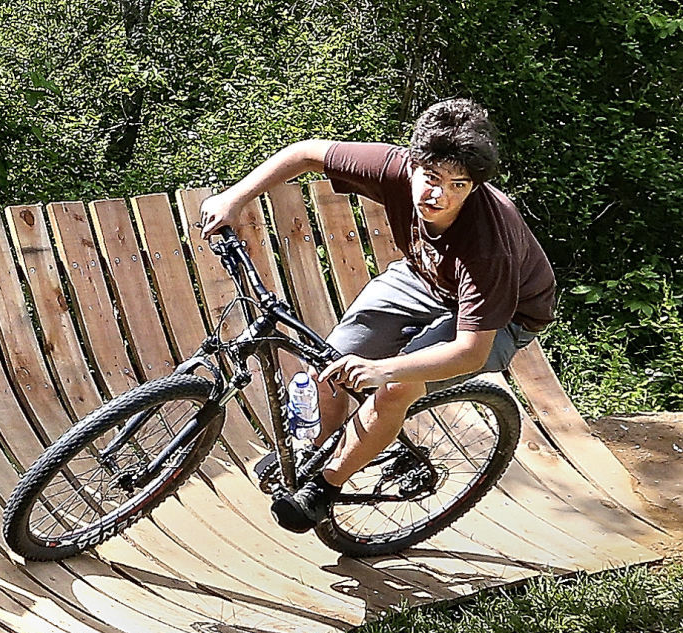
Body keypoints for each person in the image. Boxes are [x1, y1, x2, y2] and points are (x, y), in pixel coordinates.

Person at [198, 99, 556, 531]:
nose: (438, 195)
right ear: (413, 164)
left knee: (393, 388)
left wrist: (382, 368)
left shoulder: (489, 243)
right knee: (328, 365)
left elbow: (469, 353)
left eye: (459, 185)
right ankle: (321, 447)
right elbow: (306, 153)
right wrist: (235, 197)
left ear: (475, 186)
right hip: (425, 278)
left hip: (505, 316)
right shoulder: (391, 166)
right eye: (431, 178)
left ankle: (323, 489)